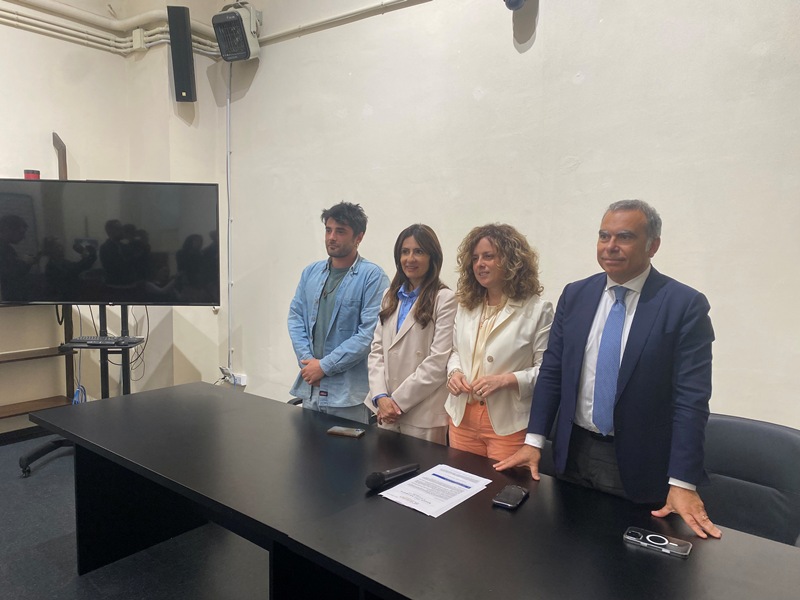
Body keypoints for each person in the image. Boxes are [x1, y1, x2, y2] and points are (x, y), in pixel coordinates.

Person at [495, 200, 722, 539]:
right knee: (567, 546)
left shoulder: (683, 305)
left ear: (653, 246)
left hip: (638, 463)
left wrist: (683, 482)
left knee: (627, 560)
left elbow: (691, 400)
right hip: (573, 452)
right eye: (604, 236)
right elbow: (553, 372)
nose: (610, 246)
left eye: (625, 237)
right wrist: (534, 440)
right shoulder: (576, 295)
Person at [446, 224, 553, 461]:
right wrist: (454, 373)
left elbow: (546, 372)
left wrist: (506, 380)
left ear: (512, 260)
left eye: (488, 256)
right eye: (475, 258)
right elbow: (455, 351)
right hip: (462, 417)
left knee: (503, 485)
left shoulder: (538, 310)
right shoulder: (466, 305)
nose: (479, 264)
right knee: (460, 482)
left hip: (508, 423)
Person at [288, 202, 389, 424]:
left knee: (347, 449)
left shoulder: (372, 277)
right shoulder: (311, 273)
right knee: (307, 447)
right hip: (311, 389)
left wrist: (324, 367)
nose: (332, 237)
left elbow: (369, 334)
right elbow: (296, 318)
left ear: (358, 237)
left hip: (348, 397)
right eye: (328, 230)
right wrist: (308, 364)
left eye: (340, 231)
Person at [365, 224, 456, 444]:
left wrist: (396, 403)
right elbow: (376, 351)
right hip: (385, 409)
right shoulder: (389, 296)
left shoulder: (445, 299)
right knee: (383, 463)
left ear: (432, 257)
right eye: (405, 252)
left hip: (422, 413)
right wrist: (380, 397)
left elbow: (438, 362)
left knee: (421, 466)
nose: (410, 258)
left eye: (419, 251)